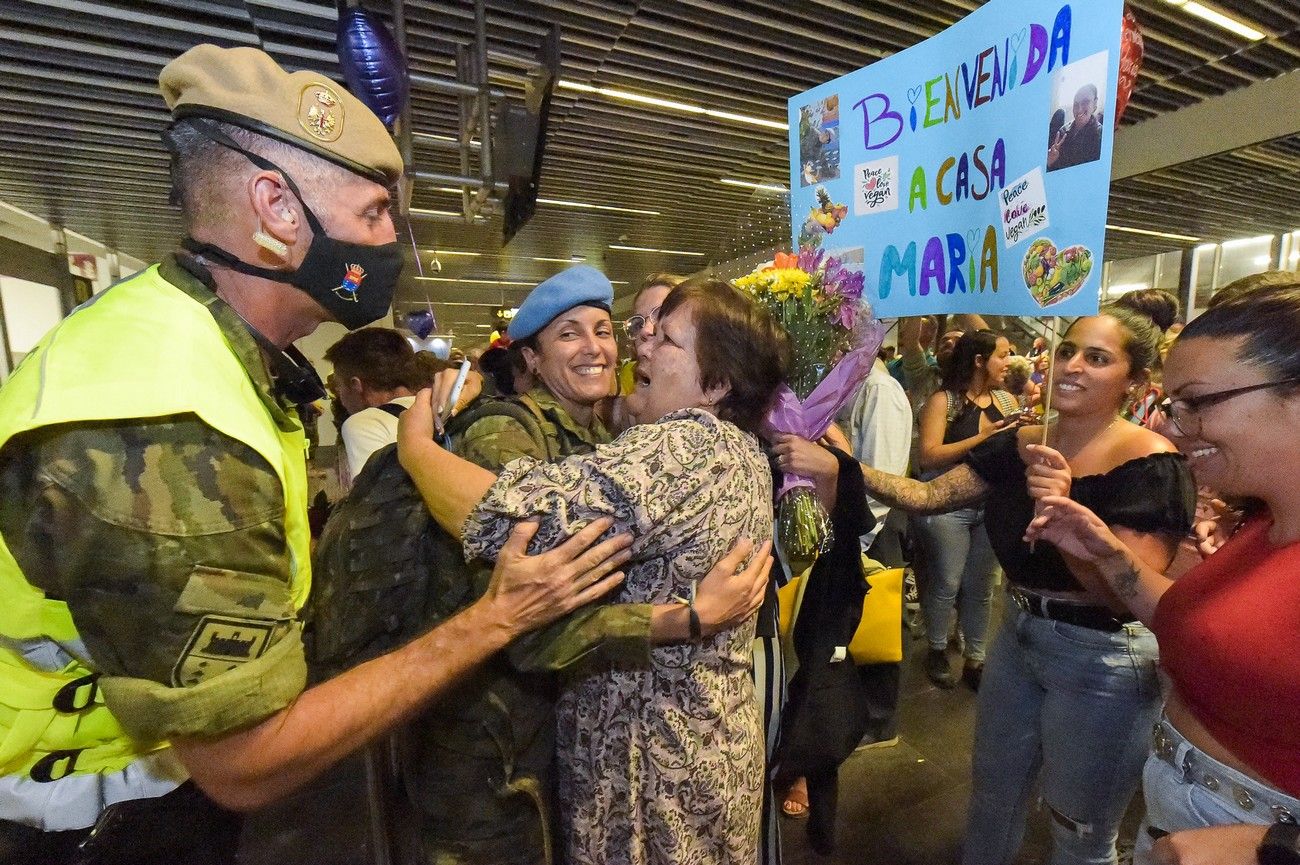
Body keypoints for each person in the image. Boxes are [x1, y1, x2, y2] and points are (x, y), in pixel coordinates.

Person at [0, 44, 638, 864]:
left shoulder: (209, 353)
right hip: (82, 821)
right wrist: (495, 617)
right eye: (374, 213)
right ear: (277, 208)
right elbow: (246, 760)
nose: (390, 242)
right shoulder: (164, 419)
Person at [773, 304, 1196, 865]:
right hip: (1019, 634)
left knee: (1079, 828)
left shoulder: (1152, 461)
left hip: (1104, 656)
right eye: (1068, 350)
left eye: (1097, 358)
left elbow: (1128, 595)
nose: (1072, 366)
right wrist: (841, 467)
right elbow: (928, 495)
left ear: (1136, 380)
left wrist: (1063, 507)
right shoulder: (1021, 441)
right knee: (993, 796)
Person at [388, 266, 772, 865]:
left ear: (718, 382)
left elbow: (515, 523)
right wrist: (679, 620)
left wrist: (415, 448)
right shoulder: (734, 444)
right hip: (534, 743)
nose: (633, 345)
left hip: (652, 765)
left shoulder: (680, 444)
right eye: (569, 334)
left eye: (664, 339)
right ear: (533, 359)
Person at [1024, 284, 1300, 865]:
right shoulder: (1261, 525)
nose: (1174, 428)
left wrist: (1274, 848)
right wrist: (1107, 555)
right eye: (1174, 406)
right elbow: (1186, 623)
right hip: (1183, 815)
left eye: (1197, 403)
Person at [915, 330, 1021, 689]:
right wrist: (983, 437)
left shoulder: (1007, 402)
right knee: (947, 581)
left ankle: (976, 658)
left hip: (989, 506)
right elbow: (928, 455)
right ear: (979, 361)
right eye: (1002, 356)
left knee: (981, 587)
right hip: (948, 506)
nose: (1009, 363)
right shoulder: (944, 401)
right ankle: (937, 647)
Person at [325, 327, 420, 482]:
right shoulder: (441, 410)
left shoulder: (364, 424)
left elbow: (374, 502)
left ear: (356, 385)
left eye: (340, 386)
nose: (341, 397)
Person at [1047, 83, 1103, 170]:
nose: (1079, 109)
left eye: (1085, 102)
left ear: (1095, 104)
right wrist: (1050, 162)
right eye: (1076, 104)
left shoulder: (1101, 135)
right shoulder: (1062, 131)